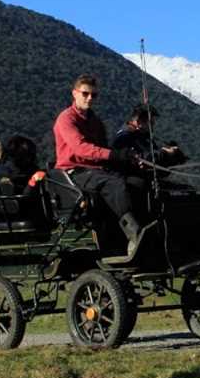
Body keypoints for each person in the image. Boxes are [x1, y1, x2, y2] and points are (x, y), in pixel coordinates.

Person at [53, 74, 142, 256]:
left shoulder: (95, 121)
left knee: (137, 182)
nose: (90, 98)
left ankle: (127, 234)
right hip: (74, 172)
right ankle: (134, 233)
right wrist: (114, 155)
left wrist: (127, 159)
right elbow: (81, 149)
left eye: (94, 95)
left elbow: (102, 149)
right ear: (75, 93)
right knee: (114, 185)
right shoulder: (66, 119)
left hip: (96, 170)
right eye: (85, 94)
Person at [112, 104, 187, 174]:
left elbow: (152, 150)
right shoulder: (124, 137)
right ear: (139, 121)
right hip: (130, 176)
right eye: (151, 123)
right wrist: (165, 153)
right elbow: (142, 158)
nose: (152, 126)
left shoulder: (141, 134)